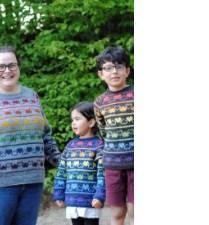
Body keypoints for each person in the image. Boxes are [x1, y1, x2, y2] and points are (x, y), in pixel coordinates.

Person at [0, 46, 61, 225]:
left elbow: (45, 135)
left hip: (33, 181)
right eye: (1, 66)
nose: (7, 71)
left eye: (12, 65)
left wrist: (64, 163)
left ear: (18, 67)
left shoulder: (32, 96)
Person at [94, 46, 134, 225]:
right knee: (117, 212)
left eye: (119, 67)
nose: (114, 72)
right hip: (113, 164)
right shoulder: (99, 102)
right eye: (108, 68)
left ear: (127, 71)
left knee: (136, 211)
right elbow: (103, 131)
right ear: (101, 74)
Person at [53, 101, 106, 225]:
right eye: (72, 120)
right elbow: (61, 171)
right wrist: (58, 193)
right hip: (72, 199)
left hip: (91, 201)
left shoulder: (99, 146)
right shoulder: (70, 146)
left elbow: (102, 174)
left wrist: (100, 195)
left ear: (91, 122)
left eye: (77, 119)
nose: (73, 123)